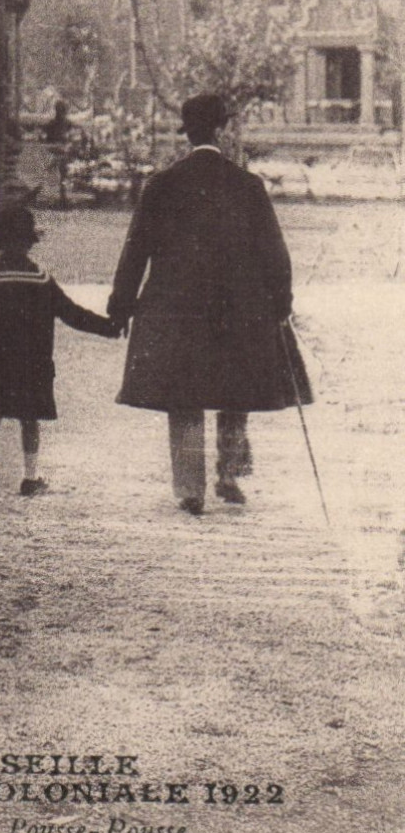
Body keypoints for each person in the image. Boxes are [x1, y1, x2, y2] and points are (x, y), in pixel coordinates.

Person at [106, 93, 313, 516]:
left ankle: (189, 488)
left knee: (184, 391)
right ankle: (230, 473)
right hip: (239, 303)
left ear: (189, 134)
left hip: (175, 303)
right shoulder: (248, 186)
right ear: (222, 130)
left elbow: (135, 251)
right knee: (235, 384)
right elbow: (275, 252)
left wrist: (121, 305)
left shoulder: (161, 185)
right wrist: (281, 301)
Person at [0, 204, 120, 513]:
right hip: (32, 367)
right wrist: (108, 327)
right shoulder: (41, 279)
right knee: (30, 420)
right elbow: (73, 314)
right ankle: (30, 477)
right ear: (30, 242)